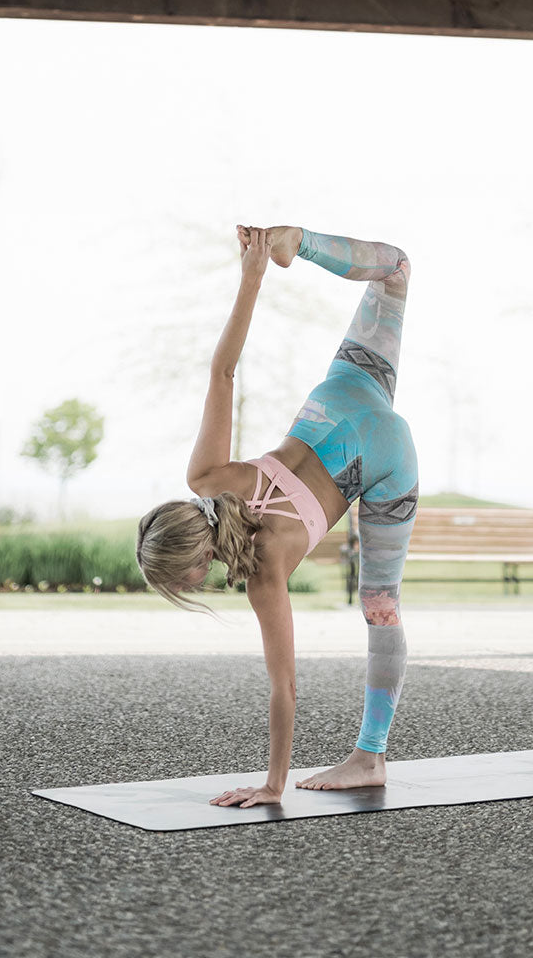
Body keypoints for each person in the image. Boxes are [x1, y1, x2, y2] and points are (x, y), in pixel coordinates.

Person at [136, 226, 418, 808]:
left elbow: (285, 688)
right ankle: (300, 243)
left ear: (192, 571)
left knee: (381, 606)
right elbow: (222, 373)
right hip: (344, 393)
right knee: (396, 268)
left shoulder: (265, 572)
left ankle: (370, 756)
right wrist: (253, 276)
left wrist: (273, 785)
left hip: (388, 458)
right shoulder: (209, 478)